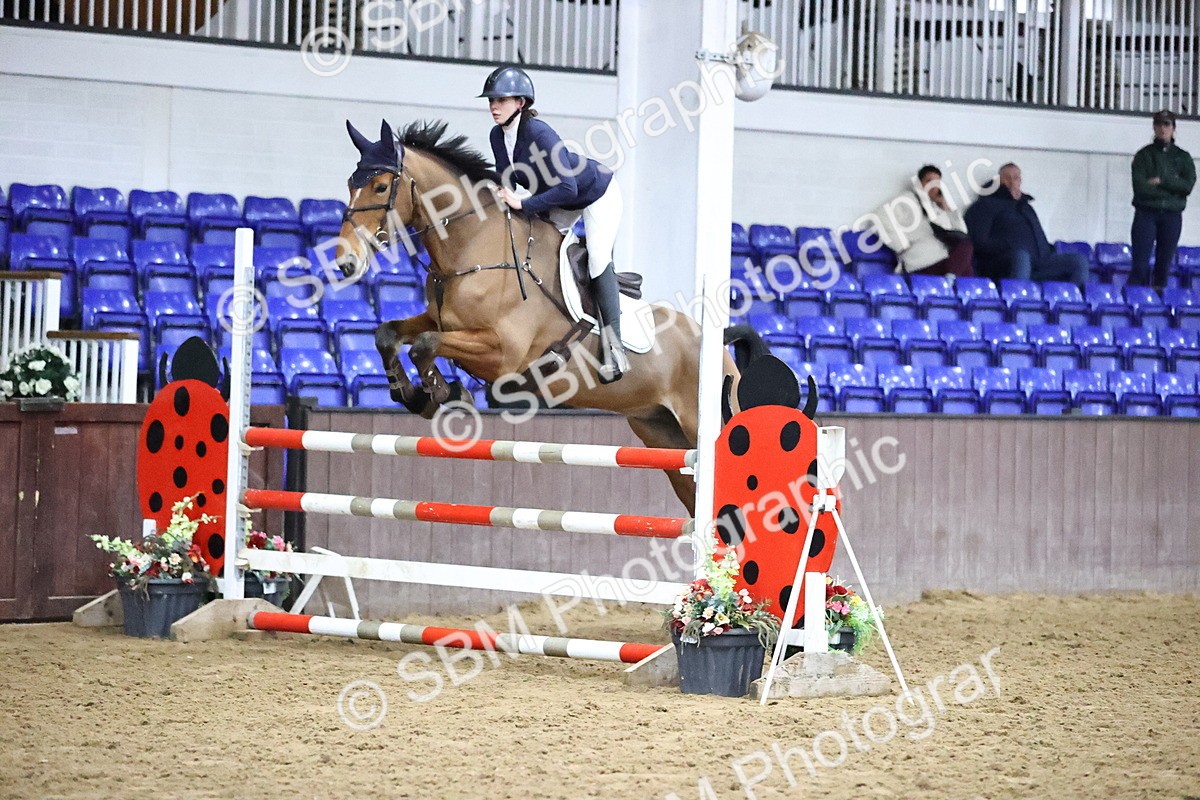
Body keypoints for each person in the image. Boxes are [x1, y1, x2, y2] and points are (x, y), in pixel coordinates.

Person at [479, 65, 629, 384]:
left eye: (501, 100)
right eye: (491, 100)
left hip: (595, 193)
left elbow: (568, 188)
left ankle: (614, 347)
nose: (494, 106)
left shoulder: (540, 133)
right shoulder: (497, 136)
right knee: (538, 252)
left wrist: (522, 204)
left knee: (599, 256)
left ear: (521, 103)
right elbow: (508, 180)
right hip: (557, 199)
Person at [964, 163, 1089, 285]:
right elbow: (978, 241)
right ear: (999, 181)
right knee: (1021, 257)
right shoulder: (985, 205)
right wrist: (1009, 246)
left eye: (1016, 178)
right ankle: (1019, 300)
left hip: (1039, 263)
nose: (1012, 182)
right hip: (1005, 265)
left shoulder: (1026, 207)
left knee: (1079, 261)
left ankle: (1073, 303)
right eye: (1007, 178)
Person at [1130, 109, 1196, 291]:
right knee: (1140, 265)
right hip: (1146, 214)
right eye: (1158, 124)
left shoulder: (1183, 158)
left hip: (1172, 216)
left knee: (1163, 266)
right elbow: (1141, 188)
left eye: (1166, 124)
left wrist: (1161, 181)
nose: (1162, 128)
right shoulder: (1143, 156)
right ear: (1154, 127)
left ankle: (1158, 306)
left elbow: (1187, 187)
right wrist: (1172, 190)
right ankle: (1135, 299)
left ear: (1174, 128)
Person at [872, 165, 974, 277]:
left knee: (967, 260)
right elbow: (880, 217)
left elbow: (962, 234)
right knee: (965, 258)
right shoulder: (907, 200)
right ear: (920, 183)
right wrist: (901, 245)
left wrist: (948, 210)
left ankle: (950, 282)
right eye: (929, 181)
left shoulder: (938, 208)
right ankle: (949, 282)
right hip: (920, 261)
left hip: (943, 259)